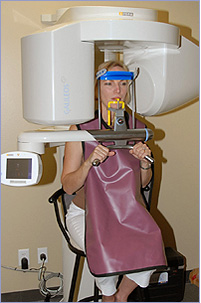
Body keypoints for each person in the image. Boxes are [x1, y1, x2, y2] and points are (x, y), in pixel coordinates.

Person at [61, 61, 166, 302]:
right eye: (109, 84)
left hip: (126, 214)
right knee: (107, 255)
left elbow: (141, 183)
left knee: (151, 247)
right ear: (97, 89)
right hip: (87, 215)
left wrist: (145, 163)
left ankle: (121, 296)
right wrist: (88, 163)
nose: (117, 90)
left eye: (123, 83)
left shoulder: (139, 128)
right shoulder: (79, 130)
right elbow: (68, 186)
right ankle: (108, 296)